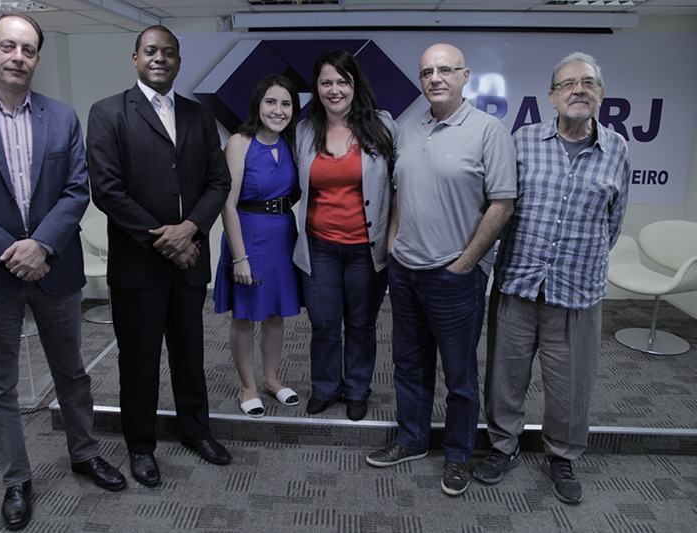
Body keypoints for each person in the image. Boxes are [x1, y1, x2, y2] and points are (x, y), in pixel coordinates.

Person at [0, 13, 125, 530]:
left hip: (53, 269)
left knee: (72, 372)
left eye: (28, 49)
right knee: (0, 386)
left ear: (37, 57)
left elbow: (77, 190)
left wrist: (40, 245)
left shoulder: (61, 117)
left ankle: (84, 454)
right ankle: (16, 479)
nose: (18, 57)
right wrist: (13, 251)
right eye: (7, 46)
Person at [473, 52, 630, 505]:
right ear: (552, 96)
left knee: (571, 384)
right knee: (505, 375)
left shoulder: (617, 149)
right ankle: (503, 446)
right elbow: (500, 206)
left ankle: (561, 457)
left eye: (588, 83)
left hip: (577, 291)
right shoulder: (523, 140)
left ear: (601, 93)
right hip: (518, 283)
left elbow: (613, 222)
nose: (578, 90)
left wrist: (579, 260)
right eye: (568, 84)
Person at [366, 43, 517, 497]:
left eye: (445, 70)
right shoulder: (409, 129)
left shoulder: (489, 131)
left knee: (459, 375)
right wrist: (393, 242)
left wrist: (466, 263)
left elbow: (502, 204)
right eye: (427, 72)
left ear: (464, 76)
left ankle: (457, 455)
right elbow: (400, 192)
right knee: (409, 365)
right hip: (406, 271)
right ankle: (412, 439)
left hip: (455, 276)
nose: (435, 78)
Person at [86, 25, 232, 486]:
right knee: (139, 362)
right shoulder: (108, 113)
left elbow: (219, 182)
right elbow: (107, 190)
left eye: (169, 52)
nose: (160, 58)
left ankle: (195, 430)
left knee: (190, 355)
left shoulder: (199, 115)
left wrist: (190, 230)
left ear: (178, 62)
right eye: (151, 51)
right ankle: (140, 446)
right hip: (138, 266)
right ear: (135, 58)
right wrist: (166, 241)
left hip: (190, 261)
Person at [293, 49, 396, 422]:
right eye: (326, 82)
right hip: (318, 246)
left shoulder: (383, 126)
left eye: (342, 81)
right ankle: (324, 387)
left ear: (355, 85)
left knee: (360, 323)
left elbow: (398, 186)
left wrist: (395, 234)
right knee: (323, 324)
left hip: (366, 249)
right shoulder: (304, 131)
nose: (334, 89)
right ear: (316, 87)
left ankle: (356, 388)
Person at [213, 75, 303, 417]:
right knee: (245, 315)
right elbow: (227, 204)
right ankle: (247, 386)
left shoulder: (292, 143)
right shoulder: (240, 142)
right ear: (258, 105)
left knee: (275, 314)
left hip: (283, 234)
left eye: (286, 104)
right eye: (271, 102)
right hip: (248, 235)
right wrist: (240, 258)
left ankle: (271, 379)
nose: (278, 110)